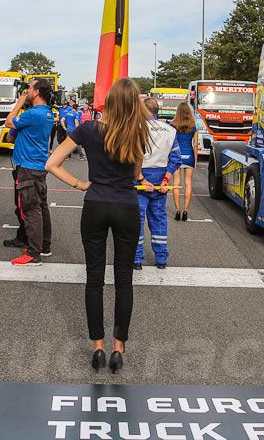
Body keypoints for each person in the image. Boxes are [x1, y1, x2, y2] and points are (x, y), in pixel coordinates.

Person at [46, 77, 148, 373]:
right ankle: (119, 348)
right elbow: (136, 174)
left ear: (110, 102)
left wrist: (80, 184)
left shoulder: (88, 128)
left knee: (94, 278)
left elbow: (52, 163)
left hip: (95, 203)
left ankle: (98, 347)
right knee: (124, 280)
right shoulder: (139, 132)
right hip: (126, 205)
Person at [4, 78, 55, 265]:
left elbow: (9, 123)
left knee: (31, 210)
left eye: (30, 88)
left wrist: (18, 103)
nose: (26, 91)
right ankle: (45, 246)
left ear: (37, 93)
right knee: (41, 207)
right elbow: (12, 136)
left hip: (28, 167)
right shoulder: (47, 113)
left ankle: (34, 252)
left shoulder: (33, 113)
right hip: (39, 165)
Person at [134, 98, 181, 270]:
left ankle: (137, 259)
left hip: (141, 177)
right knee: (159, 219)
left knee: (137, 220)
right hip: (161, 176)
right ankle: (161, 259)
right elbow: (175, 158)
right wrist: (166, 180)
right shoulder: (170, 130)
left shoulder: (136, 128)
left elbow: (132, 158)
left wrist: (141, 179)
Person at [170, 102, 198, 221]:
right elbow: (195, 144)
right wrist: (195, 161)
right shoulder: (194, 125)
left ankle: (177, 210)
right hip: (189, 155)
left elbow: (170, 142)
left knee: (176, 182)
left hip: (177, 155)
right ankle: (185, 210)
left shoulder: (173, 124)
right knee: (188, 183)